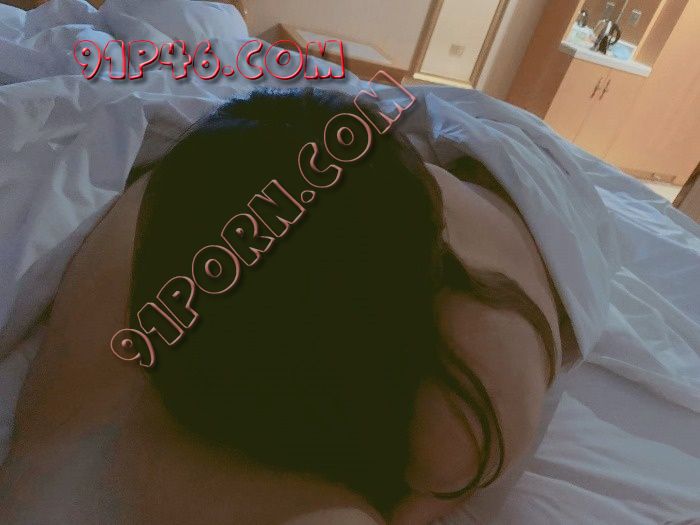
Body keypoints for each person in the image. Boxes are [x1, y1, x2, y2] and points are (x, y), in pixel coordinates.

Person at [0, 89, 572, 524]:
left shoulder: (470, 394)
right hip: (367, 173)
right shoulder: (198, 224)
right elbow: (48, 454)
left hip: (512, 174)